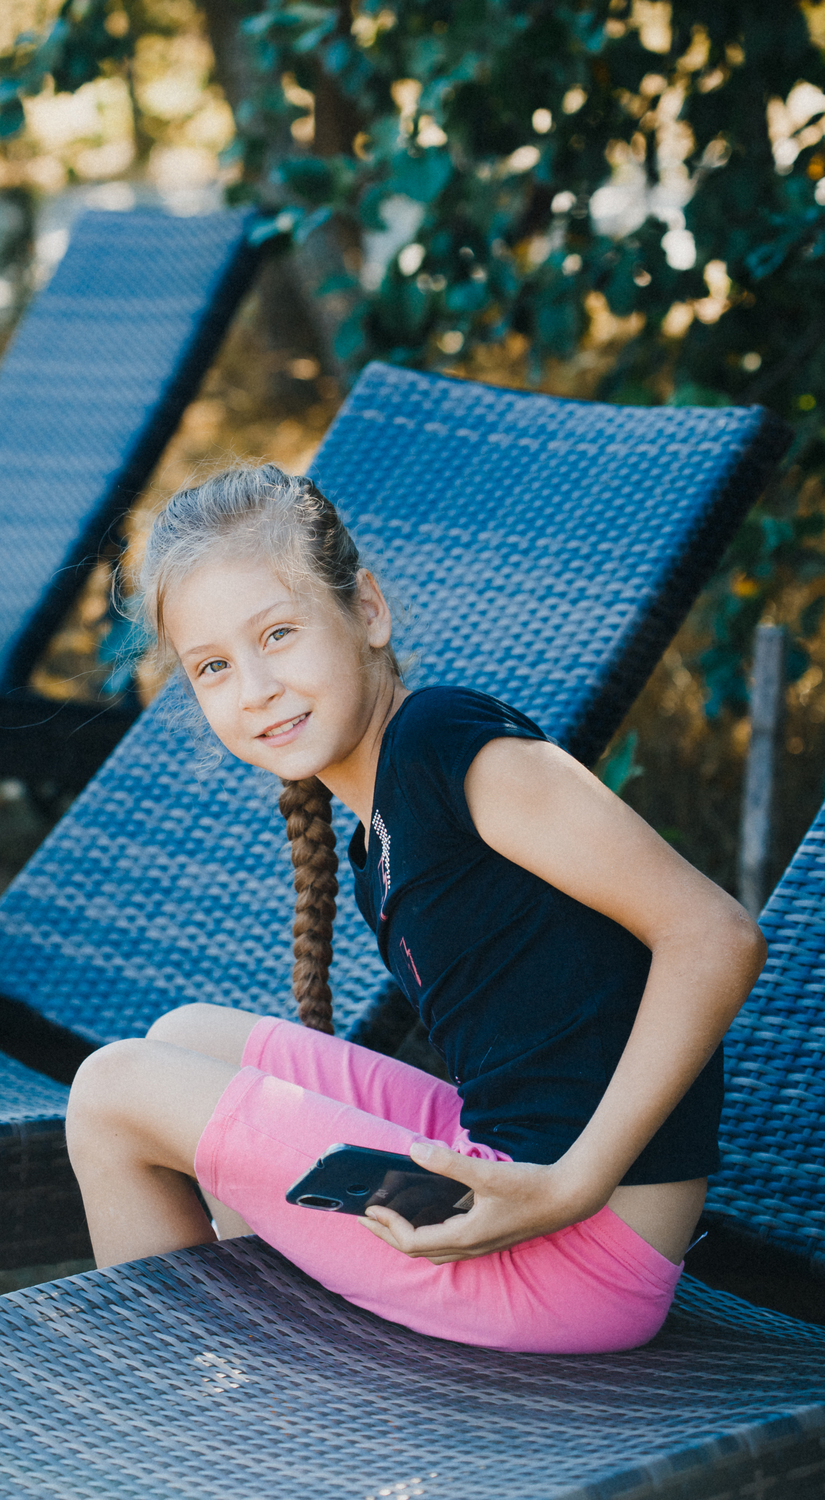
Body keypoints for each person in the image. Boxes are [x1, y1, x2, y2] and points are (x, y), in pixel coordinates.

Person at [65, 464, 765, 1355]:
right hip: (515, 1186)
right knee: (185, 1037)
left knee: (112, 1089)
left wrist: (575, 1185)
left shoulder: (446, 746)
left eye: (278, 633)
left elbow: (714, 935)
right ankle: (267, 1368)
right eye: (213, 666)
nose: (256, 687)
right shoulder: (379, 837)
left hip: (573, 1250)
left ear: (367, 610)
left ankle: (183, 1405)